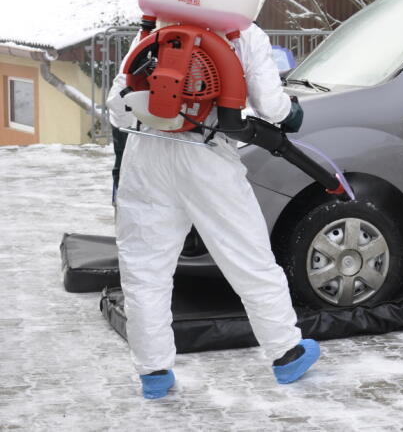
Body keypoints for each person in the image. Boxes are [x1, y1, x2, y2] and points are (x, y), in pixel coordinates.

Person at [106, 23, 318, 399]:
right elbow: (270, 106)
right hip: (207, 155)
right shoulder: (245, 33)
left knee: (145, 271)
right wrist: (291, 115)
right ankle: (287, 353)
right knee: (247, 257)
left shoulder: (158, 27)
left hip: (147, 152)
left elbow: (118, 111)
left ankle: (153, 373)